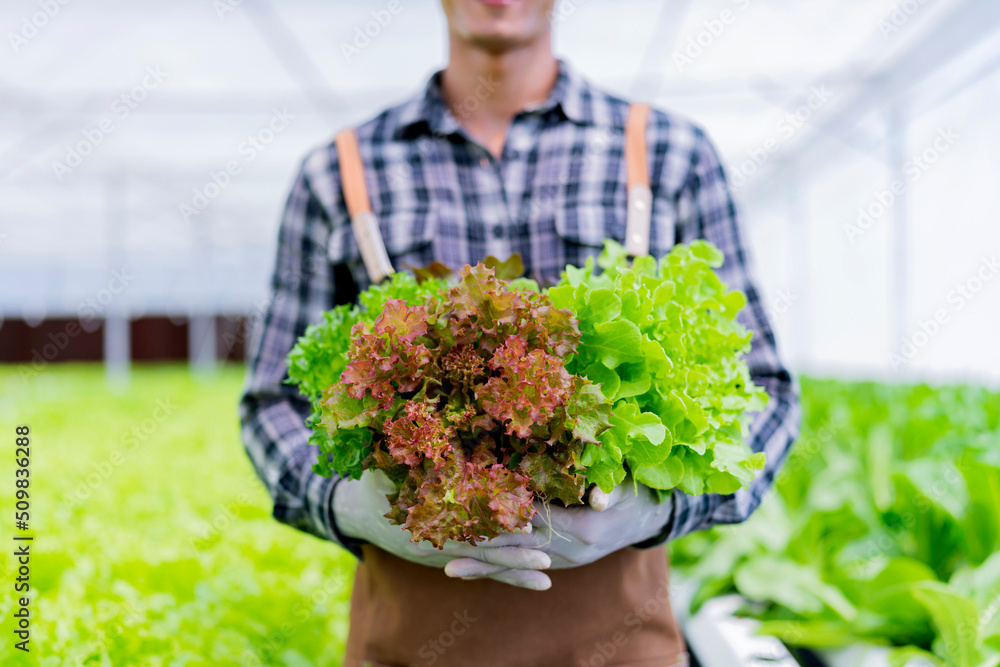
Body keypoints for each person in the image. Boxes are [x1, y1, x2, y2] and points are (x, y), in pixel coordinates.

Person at [240, 0, 800, 665]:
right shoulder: (340, 171)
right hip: (410, 643)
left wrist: (659, 510)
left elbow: (763, 388)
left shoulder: (671, 155)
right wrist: (344, 503)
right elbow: (270, 401)